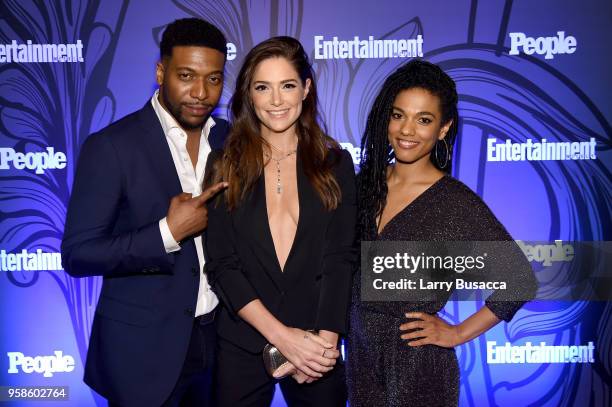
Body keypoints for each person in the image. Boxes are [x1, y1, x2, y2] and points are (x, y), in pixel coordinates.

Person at [346, 60, 537, 406]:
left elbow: (519, 280)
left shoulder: (454, 201)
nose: (407, 130)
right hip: (361, 362)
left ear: (444, 129)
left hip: (419, 367)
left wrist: (458, 332)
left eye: (424, 120)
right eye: (398, 115)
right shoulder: (364, 186)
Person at [61, 18, 229, 407]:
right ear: (160, 72)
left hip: (222, 345)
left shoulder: (229, 139)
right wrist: (166, 233)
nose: (201, 93)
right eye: (186, 75)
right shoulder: (112, 146)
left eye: (214, 79)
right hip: (142, 355)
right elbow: (78, 253)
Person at [203, 36, 356, 406]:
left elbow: (340, 259)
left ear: (305, 89)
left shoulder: (336, 164)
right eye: (262, 87)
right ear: (249, 96)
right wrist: (284, 339)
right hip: (244, 342)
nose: (275, 100)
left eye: (287, 85)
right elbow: (223, 265)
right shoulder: (224, 165)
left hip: (318, 341)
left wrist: (323, 346)